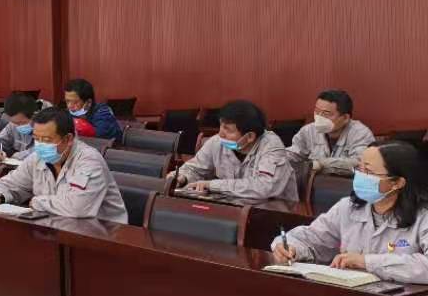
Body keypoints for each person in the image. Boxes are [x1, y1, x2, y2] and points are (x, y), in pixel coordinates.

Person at [273, 142, 428, 283]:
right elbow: (311, 238)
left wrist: (366, 262)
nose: (361, 176)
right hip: (354, 294)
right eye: (359, 169)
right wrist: (290, 248)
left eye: (369, 171)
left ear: (397, 183)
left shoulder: (423, 216)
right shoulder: (348, 207)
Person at [0, 108, 128, 222]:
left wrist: (37, 202)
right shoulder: (37, 158)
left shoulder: (89, 161)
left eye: (46, 139)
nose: (40, 145)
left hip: (103, 234)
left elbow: (77, 208)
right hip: (57, 226)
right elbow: (11, 183)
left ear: (68, 139)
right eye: (36, 139)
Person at [175, 99, 295, 201]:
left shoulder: (272, 146)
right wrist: (182, 178)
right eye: (221, 126)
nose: (220, 134)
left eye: (227, 129)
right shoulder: (217, 142)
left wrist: (212, 185)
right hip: (235, 207)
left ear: (250, 136)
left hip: (276, 211)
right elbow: (194, 169)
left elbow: (264, 187)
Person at [287, 89, 374, 177]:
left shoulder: (361, 133)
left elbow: (360, 163)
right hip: (316, 183)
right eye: (317, 111)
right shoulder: (308, 130)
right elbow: (293, 154)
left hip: (346, 184)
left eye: (326, 114)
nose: (319, 117)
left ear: (345, 118)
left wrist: (322, 164)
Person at [0, 92, 42, 163]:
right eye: (15, 123)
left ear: (35, 115)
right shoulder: (12, 125)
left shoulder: (47, 127)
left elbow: (42, 151)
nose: (18, 126)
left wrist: (16, 156)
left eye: (22, 122)